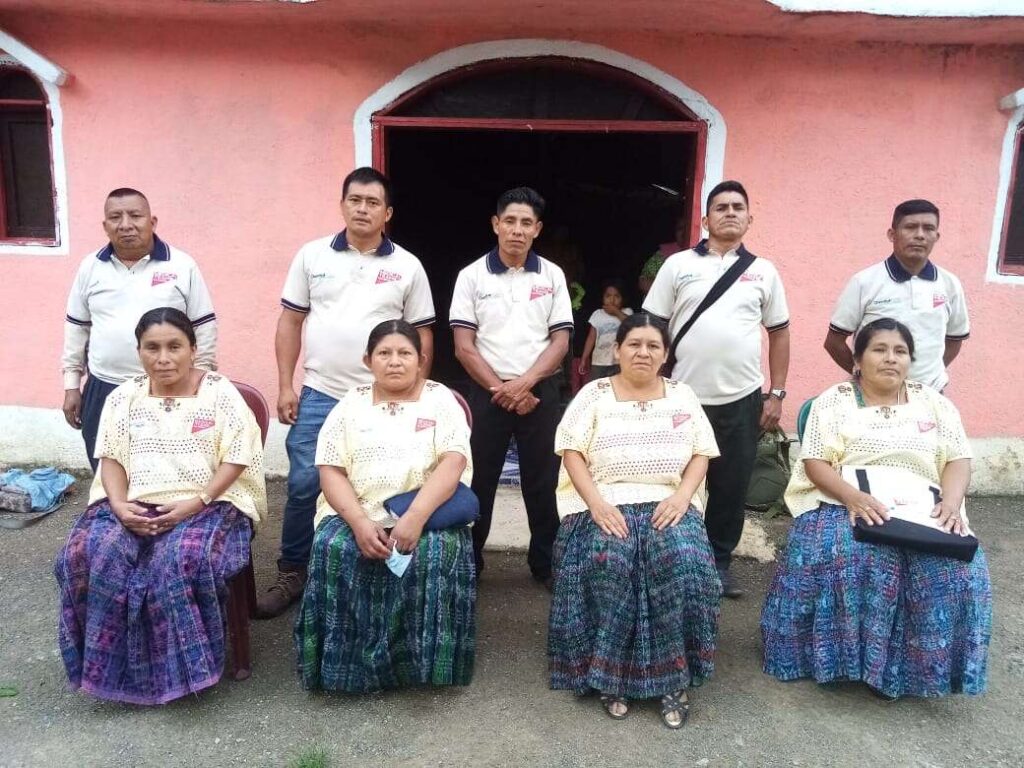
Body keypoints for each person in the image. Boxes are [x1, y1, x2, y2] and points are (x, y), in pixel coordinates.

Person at [762, 318, 991, 698]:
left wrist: (951, 504)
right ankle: (844, 661)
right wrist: (853, 497)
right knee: (854, 555)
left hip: (923, 504)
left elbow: (958, 459)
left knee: (960, 569)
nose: (890, 359)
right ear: (858, 358)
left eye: (900, 351)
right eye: (879, 350)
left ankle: (916, 669)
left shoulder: (935, 403)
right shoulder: (832, 401)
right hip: (844, 497)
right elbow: (816, 462)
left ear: (911, 360)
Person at [54, 307, 267, 705]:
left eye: (174, 347)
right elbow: (111, 458)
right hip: (132, 501)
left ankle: (185, 672)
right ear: (139, 352)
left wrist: (195, 504)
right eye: (152, 348)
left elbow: (237, 458)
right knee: (89, 553)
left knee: (179, 560)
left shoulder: (221, 395)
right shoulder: (123, 397)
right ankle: (109, 670)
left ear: (192, 349)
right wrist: (118, 505)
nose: (163, 357)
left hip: (210, 502)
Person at [258, 167, 435, 618]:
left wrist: (417, 386)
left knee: (384, 479)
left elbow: (422, 334)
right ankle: (293, 569)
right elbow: (290, 322)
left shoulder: (406, 265)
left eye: (372, 202)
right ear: (342, 205)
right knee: (303, 483)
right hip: (321, 392)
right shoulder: (312, 256)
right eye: (355, 200)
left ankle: (364, 559)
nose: (362, 209)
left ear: (387, 213)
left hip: (384, 397)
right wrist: (285, 384)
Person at [549, 313, 721, 728]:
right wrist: (596, 504)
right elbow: (571, 451)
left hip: (667, 501)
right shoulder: (593, 394)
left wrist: (683, 496)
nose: (643, 352)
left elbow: (702, 452)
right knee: (611, 559)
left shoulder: (683, 396)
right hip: (606, 501)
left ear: (665, 354)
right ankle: (611, 675)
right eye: (634, 344)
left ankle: (674, 678)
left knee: (683, 562)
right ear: (618, 349)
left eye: (653, 346)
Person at [294, 320, 475, 692]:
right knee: (333, 548)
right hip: (356, 509)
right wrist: (360, 522)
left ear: (421, 359)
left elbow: (453, 462)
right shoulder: (350, 404)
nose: (395, 362)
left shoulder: (440, 399)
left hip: (425, 511)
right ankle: (344, 665)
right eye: (384, 353)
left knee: (437, 553)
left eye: (405, 353)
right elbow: (330, 469)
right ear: (368, 360)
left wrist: (414, 518)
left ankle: (421, 666)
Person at [643, 180, 790, 598]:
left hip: (742, 398)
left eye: (737, 207)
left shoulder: (764, 271)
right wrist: (650, 385)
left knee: (729, 484)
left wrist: (776, 394)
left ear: (748, 218)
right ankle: (671, 556)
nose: (729, 212)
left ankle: (718, 562)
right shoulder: (678, 266)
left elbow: (780, 333)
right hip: (682, 395)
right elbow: (651, 326)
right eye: (720, 207)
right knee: (673, 479)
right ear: (705, 219)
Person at [450, 187, 573, 588]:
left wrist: (524, 384)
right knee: (478, 478)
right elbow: (464, 347)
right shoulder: (471, 276)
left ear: (537, 229)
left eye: (526, 223)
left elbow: (560, 342)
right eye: (510, 221)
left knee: (543, 480)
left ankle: (545, 564)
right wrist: (501, 389)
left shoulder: (552, 275)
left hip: (540, 391)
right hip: (487, 393)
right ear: (495, 224)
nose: (517, 230)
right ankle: (471, 562)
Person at [61, 188, 218, 471]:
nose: (125, 224)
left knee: (166, 469)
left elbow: (203, 327)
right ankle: (112, 514)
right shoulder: (90, 267)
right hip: (104, 386)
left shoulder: (181, 265)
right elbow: (77, 328)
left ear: (152, 221)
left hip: (168, 387)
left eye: (135, 215)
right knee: (106, 467)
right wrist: (72, 385)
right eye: (115, 217)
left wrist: (200, 378)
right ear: (105, 226)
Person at [824, 199, 969, 391]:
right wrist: (864, 376)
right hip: (874, 395)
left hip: (930, 395)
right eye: (910, 227)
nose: (920, 235)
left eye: (928, 228)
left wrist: (929, 376)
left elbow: (955, 338)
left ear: (937, 236)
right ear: (892, 234)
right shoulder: (865, 282)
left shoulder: (949, 284)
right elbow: (833, 342)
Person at [578, 280, 633, 381]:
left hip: (619, 361)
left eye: (616, 296)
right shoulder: (597, 314)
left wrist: (616, 312)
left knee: (618, 387)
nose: (612, 300)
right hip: (599, 361)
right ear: (602, 298)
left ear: (623, 299)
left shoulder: (627, 312)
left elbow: (631, 324)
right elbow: (591, 338)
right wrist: (584, 358)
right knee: (597, 387)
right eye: (608, 296)